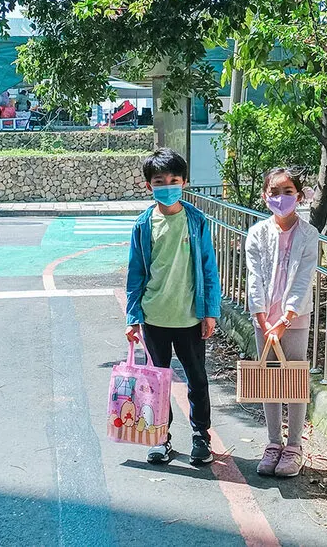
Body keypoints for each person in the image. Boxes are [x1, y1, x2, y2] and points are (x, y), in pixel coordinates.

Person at [125, 148, 221, 466]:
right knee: (157, 382)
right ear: (148, 185)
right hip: (155, 318)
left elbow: (208, 267)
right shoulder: (143, 225)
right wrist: (133, 316)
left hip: (190, 317)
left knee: (197, 379)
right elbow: (135, 273)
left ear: (184, 182)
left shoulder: (195, 220)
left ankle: (200, 438)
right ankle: (159, 437)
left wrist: (210, 312)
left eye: (174, 180)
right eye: (159, 181)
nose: (167, 185)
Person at [245, 167, 319, 478]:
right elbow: (254, 277)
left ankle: (294, 446)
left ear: (299, 197)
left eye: (288, 192)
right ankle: (273, 443)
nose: (281, 198)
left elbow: (304, 279)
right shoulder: (257, 233)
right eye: (274, 192)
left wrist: (286, 317)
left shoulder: (308, 234)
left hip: (295, 319)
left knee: (294, 380)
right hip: (265, 321)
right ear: (265, 197)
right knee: (269, 380)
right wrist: (262, 317)